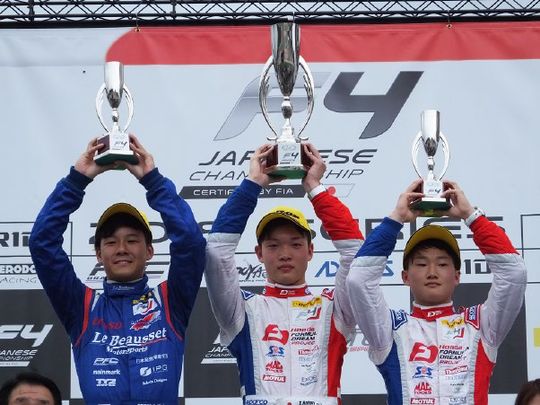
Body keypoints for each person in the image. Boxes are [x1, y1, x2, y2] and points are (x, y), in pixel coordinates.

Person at [29, 136, 206, 404]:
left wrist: (153, 181)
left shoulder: (170, 302)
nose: (122, 249)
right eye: (111, 242)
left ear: (149, 251)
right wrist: (76, 180)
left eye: (132, 240)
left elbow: (191, 243)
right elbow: (42, 243)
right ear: (99, 255)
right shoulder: (82, 308)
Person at [204, 143, 364, 405]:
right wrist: (253, 184)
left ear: (310, 251)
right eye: (274, 245)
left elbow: (357, 255)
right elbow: (216, 252)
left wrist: (315, 188)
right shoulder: (242, 310)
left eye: (295, 244)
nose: (285, 254)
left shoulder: (334, 309)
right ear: (259, 253)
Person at [346, 178, 527, 405]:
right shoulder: (389, 329)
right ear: (405, 277)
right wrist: (396, 219)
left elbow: (514, 273)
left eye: (442, 264)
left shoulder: (481, 325)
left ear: (457, 276)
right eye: (422, 264)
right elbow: (358, 280)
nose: (432, 272)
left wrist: (471, 216)